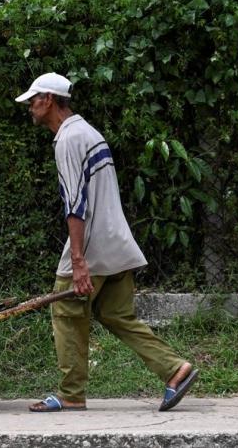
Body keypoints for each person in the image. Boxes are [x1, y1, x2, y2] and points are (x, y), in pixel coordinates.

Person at [14, 73, 198, 412]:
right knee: (116, 314)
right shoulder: (89, 132)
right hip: (116, 242)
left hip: (93, 246)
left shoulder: (68, 140)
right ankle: (176, 369)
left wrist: (80, 260)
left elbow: (76, 204)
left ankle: (71, 395)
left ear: (49, 100)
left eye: (33, 100)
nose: (30, 107)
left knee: (66, 311)